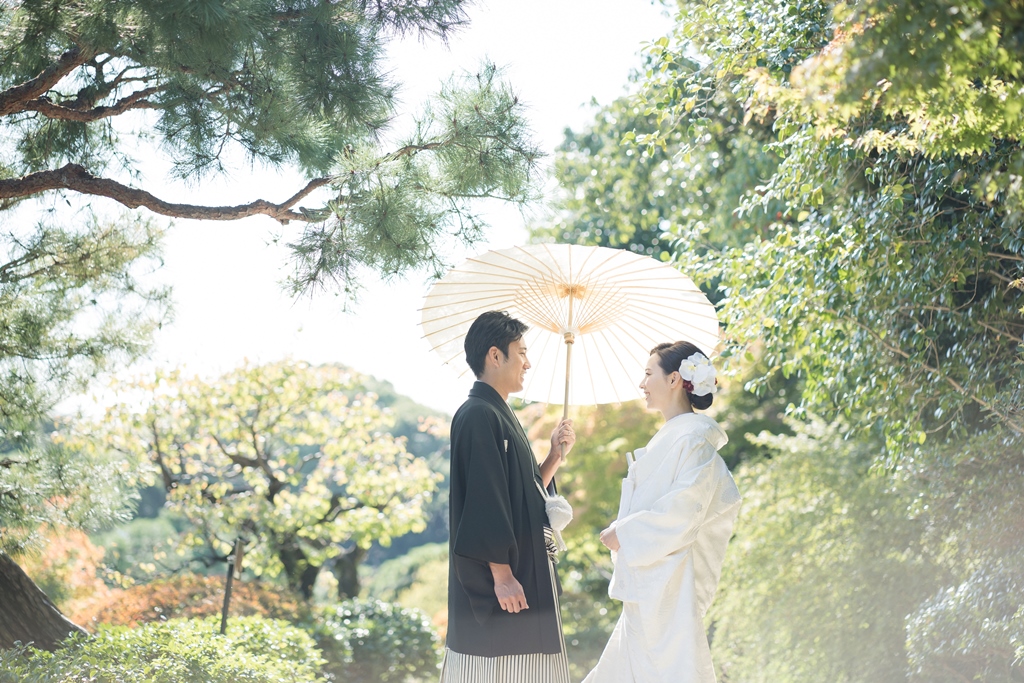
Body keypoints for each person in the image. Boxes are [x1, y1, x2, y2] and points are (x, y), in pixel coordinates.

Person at [583, 341, 741, 683]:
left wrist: (625, 533)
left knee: (664, 669)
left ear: (673, 380)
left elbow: (683, 512)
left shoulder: (693, 440)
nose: (642, 384)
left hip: (669, 583)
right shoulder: (674, 437)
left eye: (647, 373)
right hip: (650, 578)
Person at [441, 310, 576, 683]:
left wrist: (553, 456)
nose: (527, 363)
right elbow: (485, 498)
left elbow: (521, 493)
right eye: (521, 352)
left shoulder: (499, 414)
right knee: (500, 667)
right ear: (495, 355)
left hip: (523, 567)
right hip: (502, 579)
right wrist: (501, 575)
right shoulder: (478, 414)